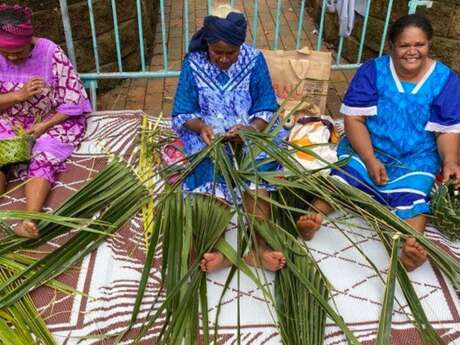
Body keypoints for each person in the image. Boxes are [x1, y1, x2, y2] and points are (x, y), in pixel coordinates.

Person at [297, 14, 460, 271]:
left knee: (417, 194)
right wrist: (371, 159)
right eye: (405, 45)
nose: (412, 52)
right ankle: (313, 217)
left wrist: (450, 160)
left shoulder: (445, 79)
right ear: (391, 46)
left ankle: (411, 248)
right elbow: (354, 120)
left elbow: (447, 131)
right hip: (370, 147)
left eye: (420, 45)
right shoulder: (374, 71)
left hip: (416, 155)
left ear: (429, 44)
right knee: (344, 175)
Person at [172, 5, 285, 273]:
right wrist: (200, 127)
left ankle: (259, 246)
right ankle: (218, 248)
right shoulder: (193, 63)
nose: (223, 59)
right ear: (208, 44)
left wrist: (250, 129)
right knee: (213, 165)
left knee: (258, 167)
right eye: (217, 52)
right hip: (208, 133)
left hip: (248, 130)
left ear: (240, 46)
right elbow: (182, 110)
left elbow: (266, 105)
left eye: (230, 53)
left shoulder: (254, 59)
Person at [0, 4, 91, 238]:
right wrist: (18, 96)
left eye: (18, 52)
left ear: (29, 39)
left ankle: (29, 220)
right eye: (5, 53)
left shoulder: (50, 52)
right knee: (1, 155)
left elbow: (74, 99)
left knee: (44, 155)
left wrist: (44, 126)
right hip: (8, 120)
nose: (11, 57)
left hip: (50, 120)